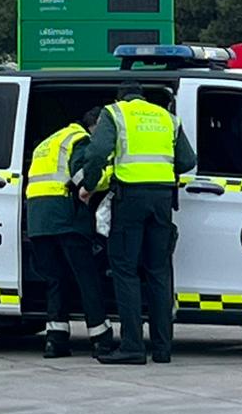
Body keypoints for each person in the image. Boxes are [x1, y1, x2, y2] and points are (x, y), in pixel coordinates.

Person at [79, 83, 196, 365]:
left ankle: (132, 346)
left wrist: (89, 185)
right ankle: (162, 349)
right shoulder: (166, 117)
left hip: (130, 197)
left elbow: (97, 153)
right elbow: (187, 160)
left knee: (125, 270)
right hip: (162, 199)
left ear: (119, 97)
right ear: (143, 97)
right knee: (159, 272)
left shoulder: (115, 113)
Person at [26, 110, 116, 358]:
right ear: (95, 125)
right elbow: (82, 176)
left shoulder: (48, 142)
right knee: (87, 278)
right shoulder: (79, 139)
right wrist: (111, 176)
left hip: (38, 221)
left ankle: (55, 341)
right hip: (65, 217)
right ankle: (101, 340)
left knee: (55, 280)